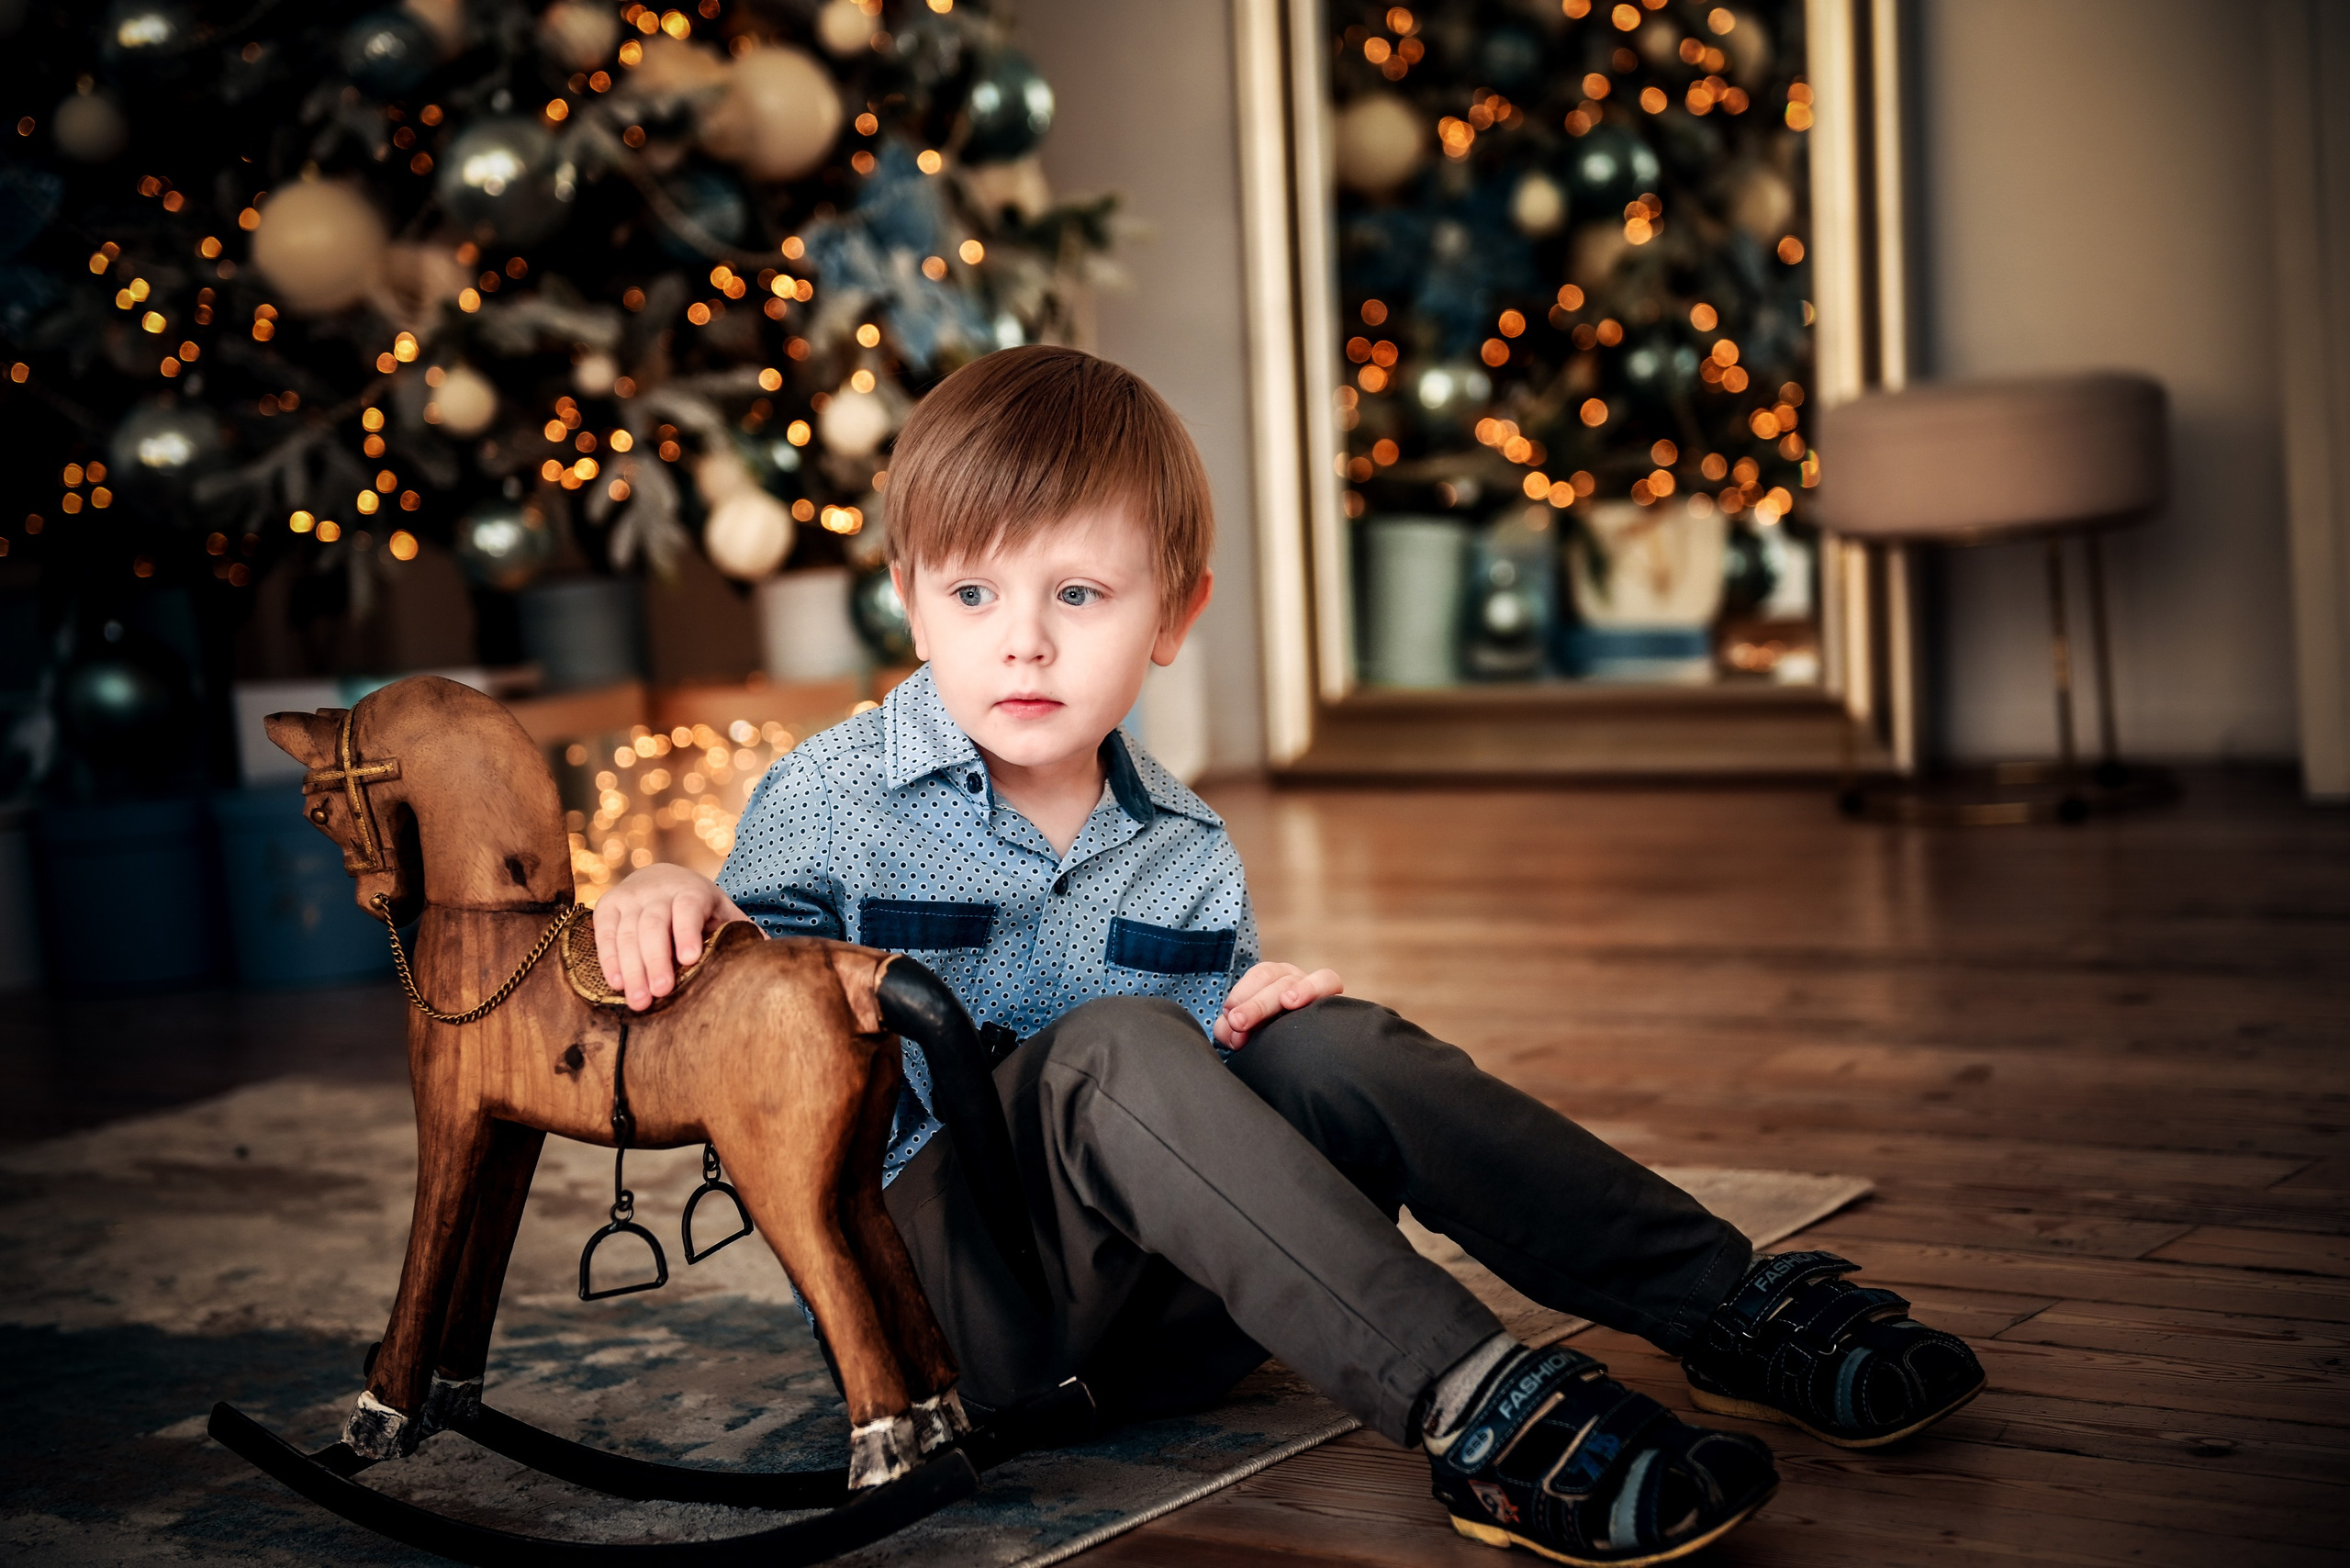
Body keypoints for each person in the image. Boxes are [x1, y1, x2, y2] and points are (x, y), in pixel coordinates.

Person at [593, 345, 1983, 1564]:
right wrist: (678, 898)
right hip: (939, 1312)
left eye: (1078, 593)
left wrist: (1263, 1025)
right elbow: (732, 1032)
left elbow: (1211, 1104)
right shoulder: (834, 796)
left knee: (1326, 1038)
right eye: (972, 593)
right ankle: (1480, 1409)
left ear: (1173, 618)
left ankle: (1726, 1305)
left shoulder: (1184, 839)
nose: (1023, 642)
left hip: (1165, 1334)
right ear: (908, 600)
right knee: (1111, 1049)